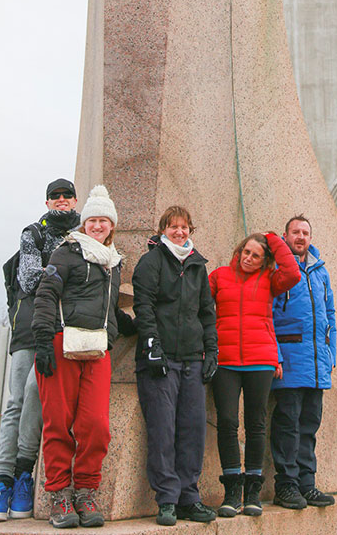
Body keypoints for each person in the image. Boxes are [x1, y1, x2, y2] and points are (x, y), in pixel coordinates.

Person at [32, 185, 135, 528]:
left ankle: (86, 491)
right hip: (62, 344)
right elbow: (46, 294)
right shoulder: (66, 251)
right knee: (58, 424)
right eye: (92, 219)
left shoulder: (113, 261)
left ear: (112, 225)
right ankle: (60, 495)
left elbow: (106, 304)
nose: (98, 225)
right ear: (84, 222)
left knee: (96, 426)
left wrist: (124, 326)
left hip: (97, 347)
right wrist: (44, 340)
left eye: (104, 220)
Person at [0, 178, 81, 523]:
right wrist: (66, 276)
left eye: (67, 195)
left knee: (38, 396)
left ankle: (24, 473)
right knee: (17, 401)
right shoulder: (34, 233)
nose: (62, 201)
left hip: (62, 324)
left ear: (75, 199)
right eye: (55, 196)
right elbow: (28, 278)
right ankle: (2, 480)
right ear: (47, 202)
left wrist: (55, 273)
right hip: (28, 324)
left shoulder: (83, 233)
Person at [132, 206, 218, 526]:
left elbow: (206, 312)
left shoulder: (196, 265)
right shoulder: (151, 262)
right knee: (163, 431)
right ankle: (167, 499)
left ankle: (188, 496)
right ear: (163, 229)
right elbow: (144, 306)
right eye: (173, 227)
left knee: (192, 431)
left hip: (192, 359)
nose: (179, 232)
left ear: (190, 231)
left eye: (184, 227)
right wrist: (152, 343)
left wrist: (211, 351)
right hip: (161, 360)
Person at [208, 231, 300, 517]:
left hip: (260, 360)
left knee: (256, 424)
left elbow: (293, 273)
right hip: (225, 360)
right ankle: (232, 488)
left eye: (256, 255)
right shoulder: (219, 276)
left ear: (264, 261)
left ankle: (253, 491)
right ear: (239, 251)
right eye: (246, 252)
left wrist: (273, 238)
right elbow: (200, 309)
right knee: (226, 422)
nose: (249, 258)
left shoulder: (270, 280)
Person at [270, 215, 336, 509]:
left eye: (305, 232)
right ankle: (286, 485)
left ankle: (307, 484)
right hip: (289, 360)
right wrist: (275, 356)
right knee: (288, 425)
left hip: (317, 363)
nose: (300, 236)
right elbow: (267, 316)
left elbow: (329, 314)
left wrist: (330, 352)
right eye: (295, 232)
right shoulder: (277, 269)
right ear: (285, 236)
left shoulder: (320, 271)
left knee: (309, 425)